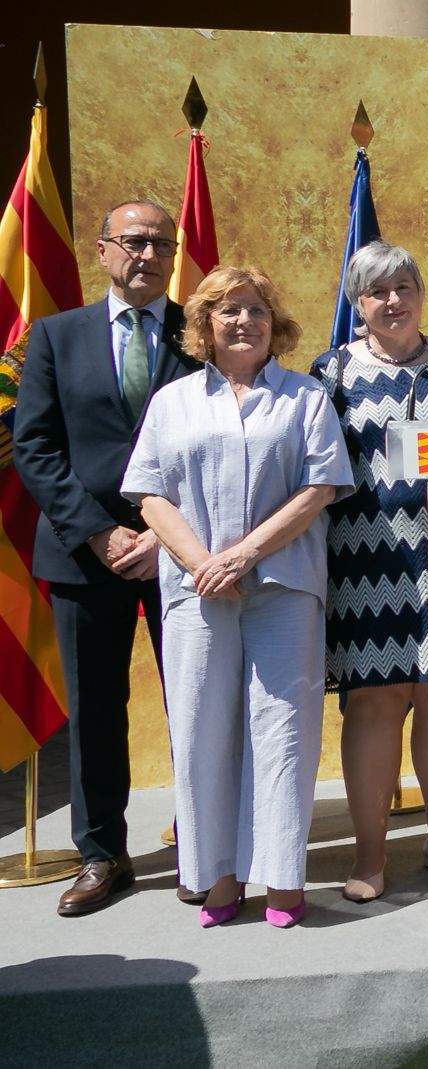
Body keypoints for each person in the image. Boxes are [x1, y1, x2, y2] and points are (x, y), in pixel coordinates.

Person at [122, 265, 354, 929]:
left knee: (282, 730)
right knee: (200, 728)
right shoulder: (173, 402)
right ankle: (215, 876)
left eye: (254, 309)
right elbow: (150, 492)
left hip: (282, 586)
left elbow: (319, 488)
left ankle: (282, 877)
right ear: (205, 325)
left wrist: (245, 554)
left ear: (272, 322)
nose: (242, 321)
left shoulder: (303, 397)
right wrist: (202, 563)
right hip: (197, 592)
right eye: (227, 311)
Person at [14, 199, 200, 916]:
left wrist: (166, 534)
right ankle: (101, 853)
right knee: (95, 708)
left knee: (198, 698)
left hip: (183, 550)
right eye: (133, 242)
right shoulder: (55, 338)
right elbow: (34, 444)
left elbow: (225, 431)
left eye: (160, 242)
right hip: (82, 555)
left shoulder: (200, 330)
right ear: (102, 250)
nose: (147, 254)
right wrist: (97, 530)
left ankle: (205, 844)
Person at [312, 241, 428, 903]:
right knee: (376, 703)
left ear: (420, 293)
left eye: (404, 287)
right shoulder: (332, 372)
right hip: (363, 556)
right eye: (378, 291)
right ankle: (371, 855)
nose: (394, 301)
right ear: (359, 305)